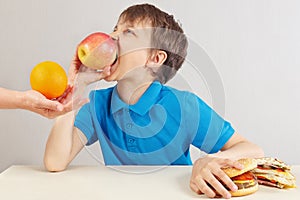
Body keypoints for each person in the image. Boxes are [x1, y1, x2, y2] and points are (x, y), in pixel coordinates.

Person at [44, 3, 264, 199]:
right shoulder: (97, 104)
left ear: (155, 59)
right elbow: (55, 162)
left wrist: (211, 160)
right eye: (115, 28)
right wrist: (75, 89)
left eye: (128, 32)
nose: (112, 37)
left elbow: (252, 149)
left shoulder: (184, 106)